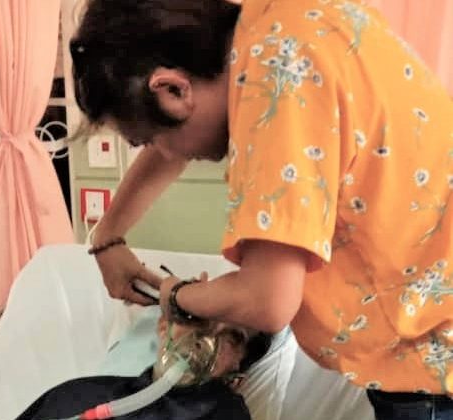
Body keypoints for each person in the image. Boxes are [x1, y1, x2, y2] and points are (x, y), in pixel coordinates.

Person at [70, 0, 453, 418]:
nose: (165, 154)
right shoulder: (278, 25)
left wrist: (176, 296)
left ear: (174, 90)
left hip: (432, 367)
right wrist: (108, 237)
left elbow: (266, 301)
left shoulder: (275, 88)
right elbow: (175, 143)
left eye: (148, 140)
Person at [15, 311, 272, 420]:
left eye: (231, 337)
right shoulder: (77, 395)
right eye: (197, 318)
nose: (204, 339)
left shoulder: (226, 414)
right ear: (164, 326)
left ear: (237, 374)